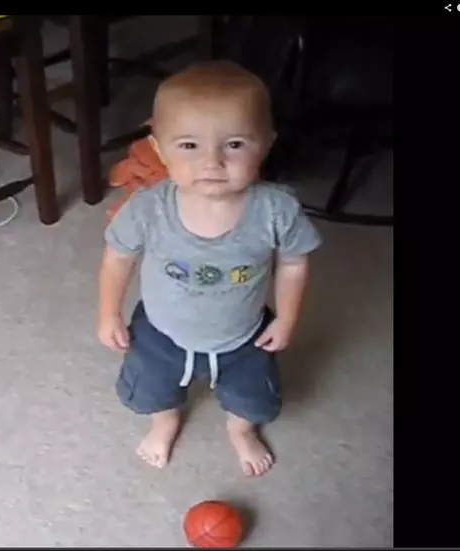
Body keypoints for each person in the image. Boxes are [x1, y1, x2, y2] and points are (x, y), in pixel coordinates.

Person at [98, 60, 322, 477]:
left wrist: (288, 318)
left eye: (234, 144)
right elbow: (118, 256)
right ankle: (165, 422)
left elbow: (293, 262)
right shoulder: (149, 208)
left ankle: (241, 431)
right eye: (189, 146)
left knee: (252, 398)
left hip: (245, 335)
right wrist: (109, 312)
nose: (212, 162)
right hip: (161, 331)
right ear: (160, 148)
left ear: (266, 144)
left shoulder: (277, 209)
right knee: (152, 390)